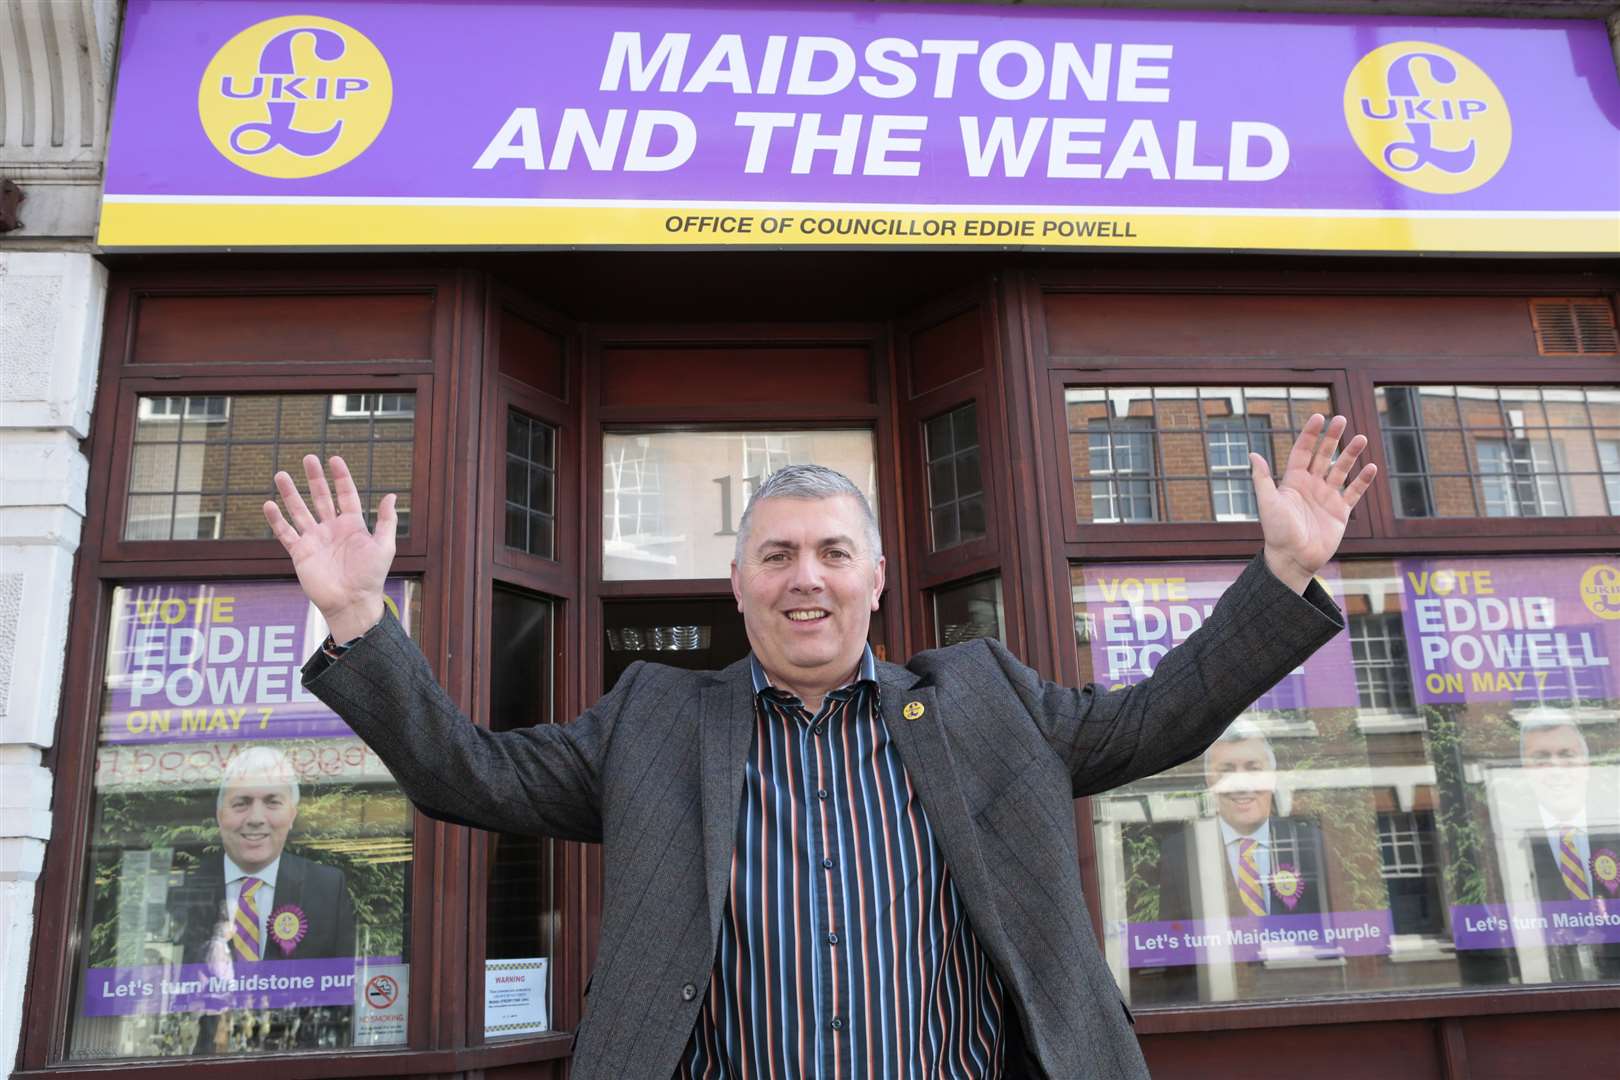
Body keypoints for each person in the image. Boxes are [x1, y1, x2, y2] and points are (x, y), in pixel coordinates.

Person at [266, 414, 1375, 1078]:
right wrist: (362, 622)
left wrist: (1279, 579)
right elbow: (469, 772)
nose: (808, 576)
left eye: (835, 552)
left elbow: (1155, 719)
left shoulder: (986, 699)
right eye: (780, 554)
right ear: (738, 584)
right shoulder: (654, 719)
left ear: (877, 580)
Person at [168, 747, 357, 1052]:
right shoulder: (185, 886)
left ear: (292, 814)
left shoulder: (328, 887)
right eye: (241, 803)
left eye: (272, 802)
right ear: (220, 815)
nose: (256, 819)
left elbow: (341, 995)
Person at [1516, 716, 1619, 980]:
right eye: (1541, 759)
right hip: (1553, 979)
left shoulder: (1611, 820)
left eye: (1566, 755)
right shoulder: (1512, 833)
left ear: (1585, 764)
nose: (1556, 769)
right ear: (1524, 769)